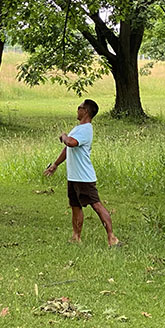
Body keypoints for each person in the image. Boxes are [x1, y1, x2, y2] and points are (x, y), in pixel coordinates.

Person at [43, 98, 120, 246]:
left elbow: (71, 143)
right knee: (75, 206)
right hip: (74, 176)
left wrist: (64, 136)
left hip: (84, 177)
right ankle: (76, 237)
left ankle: (112, 237)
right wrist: (55, 165)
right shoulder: (78, 128)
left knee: (96, 205)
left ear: (86, 111)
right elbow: (67, 148)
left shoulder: (86, 129)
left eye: (80, 107)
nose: (77, 110)